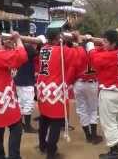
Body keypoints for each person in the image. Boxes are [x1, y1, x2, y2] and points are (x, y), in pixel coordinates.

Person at [36, 29, 85, 159]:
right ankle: (51, 153)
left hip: (43, 91)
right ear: (56, 39)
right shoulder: (61, 50)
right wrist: (78, 41)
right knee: (56, 123)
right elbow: (80, 59)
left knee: (44, 120)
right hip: (55, 92)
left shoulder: (44, 49)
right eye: (59, 38)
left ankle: (42, 145)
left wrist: (68, 42)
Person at [88, 30, 118, 159]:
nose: (103, 44)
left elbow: (94, 59)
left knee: (109, 122)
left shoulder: (110, 55)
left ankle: (114, 151)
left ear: (113, 43)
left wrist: (90, 46)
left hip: (109, 93)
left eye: (105, 42)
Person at [73, 33, 103, 144]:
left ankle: (88, 136)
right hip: (92, 84)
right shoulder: (97, 51)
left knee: (82, 110)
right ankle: (94, 136)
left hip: (79, 83)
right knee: (93, 109)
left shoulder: (77, 51)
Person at [14, 42, 38, 133]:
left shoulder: (20, 56)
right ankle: (27, 127)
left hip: (19, 82)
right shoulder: (27, 57)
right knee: (28, 105)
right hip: (26, 83)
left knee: (21, 104)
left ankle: (20, 125)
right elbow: (35, 53)